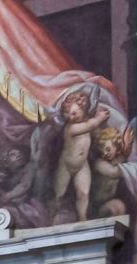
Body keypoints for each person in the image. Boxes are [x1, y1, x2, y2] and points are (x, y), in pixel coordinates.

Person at [52, 89, 110, 222]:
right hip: (66, 165)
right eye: (68, 116)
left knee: (83, 194)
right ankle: (51, 215)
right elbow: (90, 125)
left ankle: (82, 217)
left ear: (83, 108)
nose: (72, 117)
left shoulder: (86, 122)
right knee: (58, 195)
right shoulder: (71, 128)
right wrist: (100, 118)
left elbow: (94, 131)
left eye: (74, 113)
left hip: (81, 165)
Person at [89, 126, 129, 218]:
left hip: (110, 200)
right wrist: (129, 168)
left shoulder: (119, 160)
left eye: (107, 149)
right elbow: (113, 172)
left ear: (116, 145)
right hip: (95, 206)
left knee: (119, 207)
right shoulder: (99, 164)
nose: (105, 154)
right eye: (102, 151)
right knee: (114, 209)